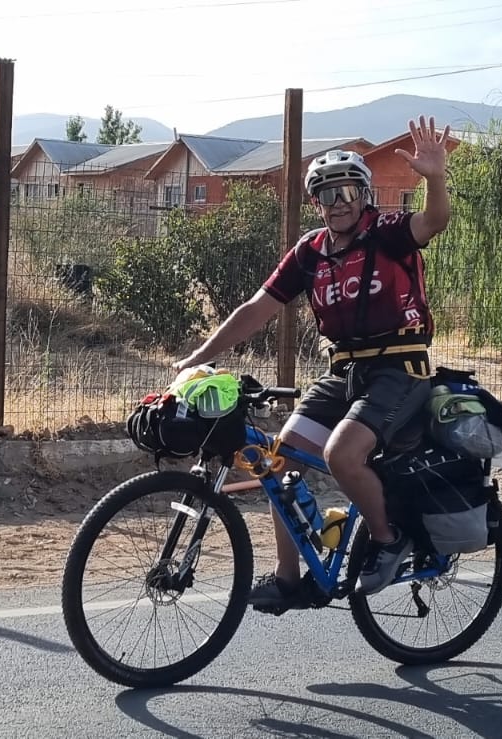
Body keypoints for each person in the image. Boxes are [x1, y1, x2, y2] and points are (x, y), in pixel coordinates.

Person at [172, 117, 453, 609]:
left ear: (364, 194)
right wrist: (197, 357)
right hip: (343, 371)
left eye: (347, 191)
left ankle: (388, 542)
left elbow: (433, 222)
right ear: (315, 203)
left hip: (401, 369)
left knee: (341, 455)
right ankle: (289, 577)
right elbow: (255, 310)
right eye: (326, 194)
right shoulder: (310, 251)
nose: (338, 202)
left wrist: (434, 178)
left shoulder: (387, 232)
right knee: (277, 460)